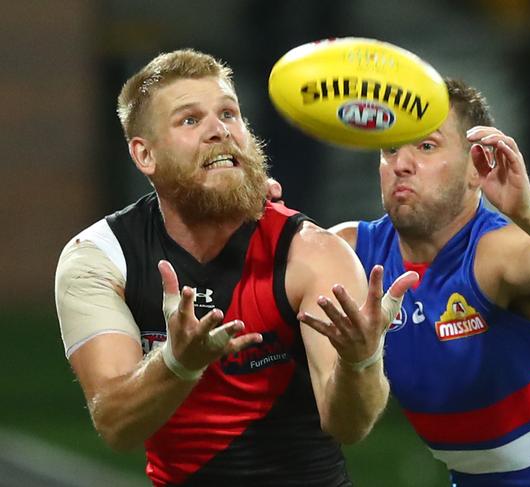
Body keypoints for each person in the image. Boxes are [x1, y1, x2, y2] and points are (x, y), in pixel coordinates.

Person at [54, 49, 416, 487]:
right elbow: (116, 425)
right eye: (190, 120)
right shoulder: (100, 258)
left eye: (229, 113)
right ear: (144, 155)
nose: (219, 130)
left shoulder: (311, 254)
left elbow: (349, 426)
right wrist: (177, 363)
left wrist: (362, 361)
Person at [320, 79, 530, 486]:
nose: (401, 163)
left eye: (426, 146)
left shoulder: (497, 254)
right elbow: (281, 254)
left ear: (477, 167)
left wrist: (529, 212)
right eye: (391, 148)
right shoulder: (354, 252)